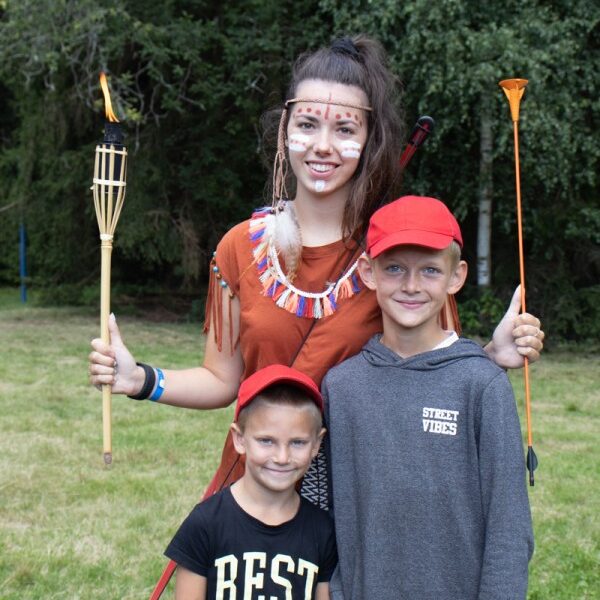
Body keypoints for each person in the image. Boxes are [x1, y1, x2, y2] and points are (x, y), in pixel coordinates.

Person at [88, 35, 544, 500]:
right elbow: (222, 381)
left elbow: (433, 375)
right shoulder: (239, 247)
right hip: (260, 488)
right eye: (308, 124)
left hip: (362, 493)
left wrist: (491, 357)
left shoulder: (396, 255)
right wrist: (140, 379)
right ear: (285, 129)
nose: (323, 146)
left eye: (345, 130)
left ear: (369, 140)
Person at [323, 195, 534, 600]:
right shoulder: (341, 387)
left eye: (431, 270)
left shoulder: (482, 385)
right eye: (394, 268)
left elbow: (509, 529)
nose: (411, 285)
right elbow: (325, 518)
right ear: (368, 272)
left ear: (456, 276)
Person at [164, 364, 336, 600]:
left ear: (317, 444)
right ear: (239, 439)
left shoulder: (323, 530)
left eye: (298, 442)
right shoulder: (205, 523)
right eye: (266, 441)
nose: (282, 457)